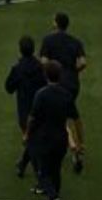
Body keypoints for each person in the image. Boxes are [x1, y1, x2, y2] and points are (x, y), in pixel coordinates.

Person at [38, 12, 89, 173]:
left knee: (60, 118)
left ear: (56, 24)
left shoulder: (48, 40)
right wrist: (73, 71)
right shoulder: (76, 42)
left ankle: (72, 145)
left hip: (57, 84)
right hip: (73, 84)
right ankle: (81, 144)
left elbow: (44, 62)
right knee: (73, 114)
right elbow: (82, 62)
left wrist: (50, 74)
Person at [26, 60, 77, 200]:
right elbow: (74, 119)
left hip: (45, 139)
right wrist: (76, 141)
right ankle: (53, 198)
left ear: (45, 75)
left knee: (42, 173)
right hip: (61, 139)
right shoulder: (66, 95)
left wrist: (27, 134)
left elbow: (32, 117)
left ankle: (54, 197)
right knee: (56, 170)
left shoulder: (41, 95)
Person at [5, 36, 47, 181]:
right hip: (40, 110)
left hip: (24, 112)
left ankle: (39, 176)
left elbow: (8, 88)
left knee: (32, 142)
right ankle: (24, 165)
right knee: (32, 141)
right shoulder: (40, 67)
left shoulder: (17, 69)